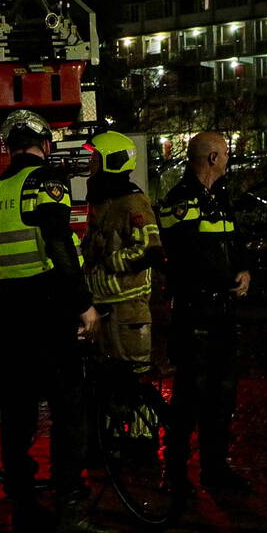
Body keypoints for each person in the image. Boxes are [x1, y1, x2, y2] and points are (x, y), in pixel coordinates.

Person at [0, 109, 118, 533]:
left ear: (8, 147)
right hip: (47, 310)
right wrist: (84, 305)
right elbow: (60, 245)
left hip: (8, 316)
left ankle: (22, 508)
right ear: (45, 145)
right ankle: (69, 512)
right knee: (67, 410)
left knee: (17, 414)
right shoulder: (47, 182)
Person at [158, 131, 251, 495]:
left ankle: (215, 468)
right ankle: (176, 471)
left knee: (222, 394)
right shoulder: (181, 201)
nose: (229, 159)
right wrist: (225, 277)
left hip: (222, 311)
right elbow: (186, 257)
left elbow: (234, 242)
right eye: (225, 153)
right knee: (189, 395)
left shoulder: (221, 199)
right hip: (196, 311)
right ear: (212, 157)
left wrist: (244, 270)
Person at [82, 130, 164, 373]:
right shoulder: (101, 201)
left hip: (128, 309)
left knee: (133, 380)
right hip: (102, 307)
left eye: (95, 159)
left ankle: (146, 413)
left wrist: (108, 259)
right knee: (107, 382)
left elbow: (149, 250)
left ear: (112, 161)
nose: (90, 165)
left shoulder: (133, 201)